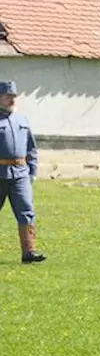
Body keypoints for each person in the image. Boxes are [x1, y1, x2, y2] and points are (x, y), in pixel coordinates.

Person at [0, 81, 44, 263]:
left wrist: (32, 171)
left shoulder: (21, 120)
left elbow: (31, 148)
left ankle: (29, 252)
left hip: (20, 174)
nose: (12, 99)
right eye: (8, 96)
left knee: (26, 210)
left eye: (14, 96)